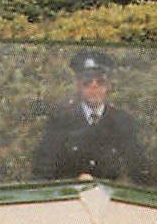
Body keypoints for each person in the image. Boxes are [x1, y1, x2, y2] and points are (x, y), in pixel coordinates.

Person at [30, 49, 149, 184]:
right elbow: (43, 171)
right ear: (78, 85)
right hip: (70, 194)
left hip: (109, 195)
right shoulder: (61, 121)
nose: (94, 87)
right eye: (87, 82)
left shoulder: (122, 122)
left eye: (100, 82)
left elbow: (139, 170)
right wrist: (73, 182)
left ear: (108, 86)